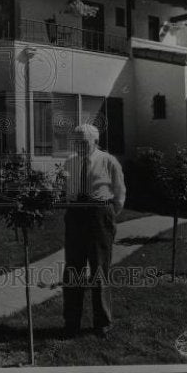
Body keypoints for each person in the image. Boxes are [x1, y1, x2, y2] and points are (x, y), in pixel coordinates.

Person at [62, 124, 126, 338]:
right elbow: (66, 191)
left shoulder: (108, 161)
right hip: (75, 216)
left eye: (83, 142)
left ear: (95, 142)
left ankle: (103, 323)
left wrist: (106, 215)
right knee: (73, 269)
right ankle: (71, 323)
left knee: (99, 269)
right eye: (75, 142)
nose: (78, 146)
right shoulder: (69, 162)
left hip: (99, 215)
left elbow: (119, 192)